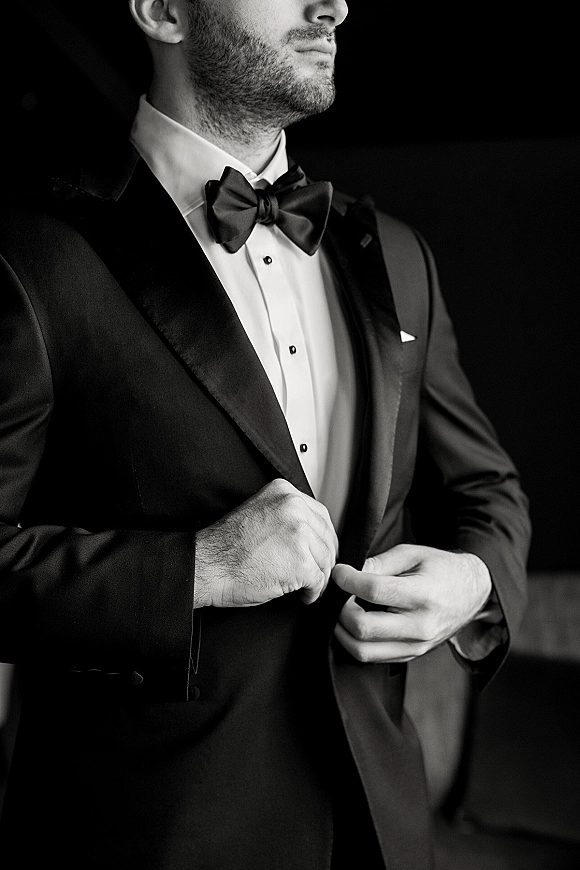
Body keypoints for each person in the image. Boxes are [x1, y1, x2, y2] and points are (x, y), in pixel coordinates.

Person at [0, 1, 530, 868]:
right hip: (150, 836)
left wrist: (475, 582)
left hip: (381, 833)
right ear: (164, 10)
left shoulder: (397, 255)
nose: (335, 5)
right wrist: (199, 568)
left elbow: (489, 491)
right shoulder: (33, 254)